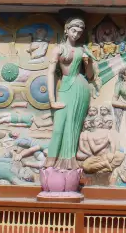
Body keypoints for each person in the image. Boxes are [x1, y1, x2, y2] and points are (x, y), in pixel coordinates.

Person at [46, 17, 94, 170]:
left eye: (79, 33)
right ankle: (50, 162)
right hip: (65, 86)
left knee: (74, 126)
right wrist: (52, 100)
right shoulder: (58, 49)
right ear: (66, 30)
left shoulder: (82, 50)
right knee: (59, 126)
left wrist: (89, 63)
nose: (76, 35)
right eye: (73, 31)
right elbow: (50, 74)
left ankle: (68, 162)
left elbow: (90, 75)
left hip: (80, 88)